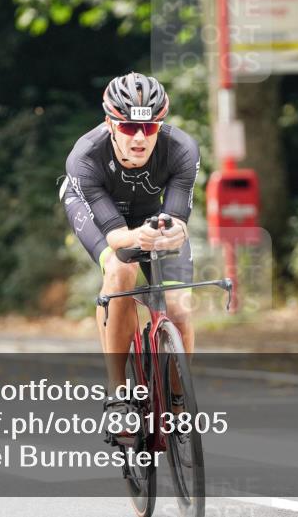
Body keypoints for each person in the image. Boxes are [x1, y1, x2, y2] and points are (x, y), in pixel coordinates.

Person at [60, 72, 200, 425]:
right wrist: (139, 238)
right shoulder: (86, 156)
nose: (139, 138)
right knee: (121, 271)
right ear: (109, 123)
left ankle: (178, 400)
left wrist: (171, 234)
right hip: (100, 213)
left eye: (150, 128)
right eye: (127, 128)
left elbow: (179, 220)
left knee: (179, 305)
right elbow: (116, 237)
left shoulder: (182, 148)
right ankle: (118, 394)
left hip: (151, 214)